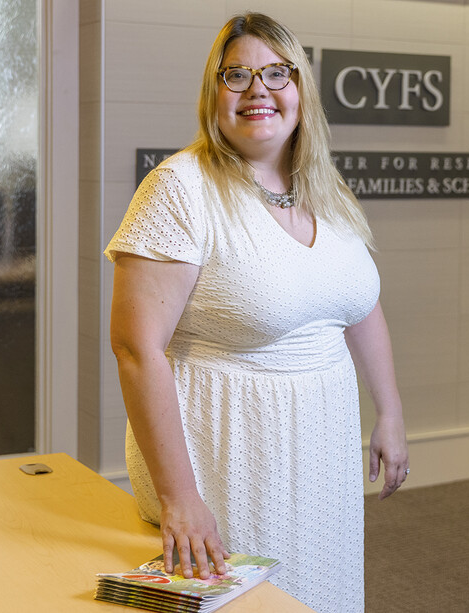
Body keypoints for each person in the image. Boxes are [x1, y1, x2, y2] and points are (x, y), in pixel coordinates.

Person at [104, 12, 409, 613]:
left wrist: (391, 413)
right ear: (213, 92)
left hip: (323, 452)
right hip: (228, 455)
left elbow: (360, 306)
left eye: (276, 73)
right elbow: (135, 348)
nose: (257, 91)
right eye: (236, 75)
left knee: (321, 593)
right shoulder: (179, 189)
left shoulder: (325, 189)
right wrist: (180, 497)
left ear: (301, 90)